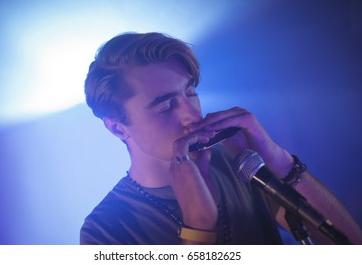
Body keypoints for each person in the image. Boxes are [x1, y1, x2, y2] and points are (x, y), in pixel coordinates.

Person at [80, 32, 362, 245]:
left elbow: (349, 245)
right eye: (166, 106)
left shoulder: (238, 166)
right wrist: (199, 226)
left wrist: (276, 157)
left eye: (190, 93)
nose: (191, 114)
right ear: (117, 128)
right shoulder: (105, 228)